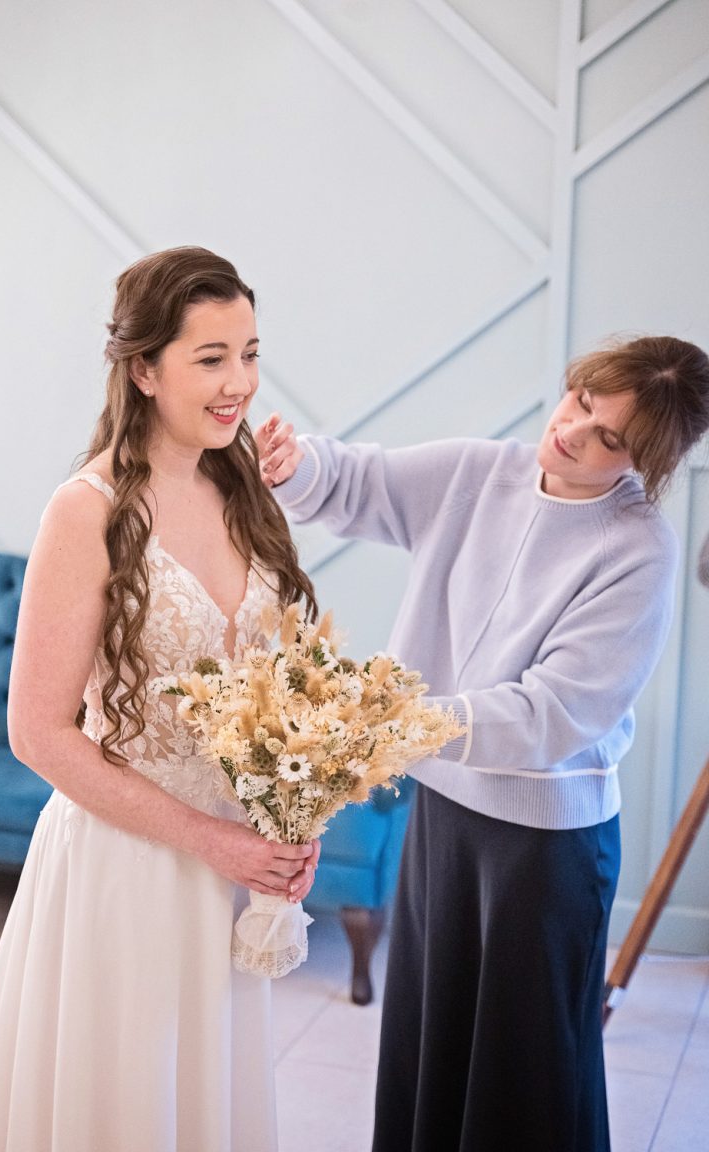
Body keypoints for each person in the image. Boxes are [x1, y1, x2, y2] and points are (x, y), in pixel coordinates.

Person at [254, 334, 709, 1152]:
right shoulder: (479, 472)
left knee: (524, 1072)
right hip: (443, 813)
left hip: (545, 847)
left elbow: (550, 715)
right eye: (580, 401)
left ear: (644, 462)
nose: (572, 430)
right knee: (428, 1038)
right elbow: (358, 482)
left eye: (608, 435)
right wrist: (296, 466)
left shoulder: (639, 551)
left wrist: (395, 721)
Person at [0, 246, 321, 1152]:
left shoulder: (246, 495)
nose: (240, 383)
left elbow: (274, 692)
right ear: (144, 369)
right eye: (211, 358)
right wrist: (211, 840)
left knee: (199, 1102)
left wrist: (293, 814)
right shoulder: (89, 508)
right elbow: (37, 733)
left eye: (250, 354)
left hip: (231, 870)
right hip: (125, 867)